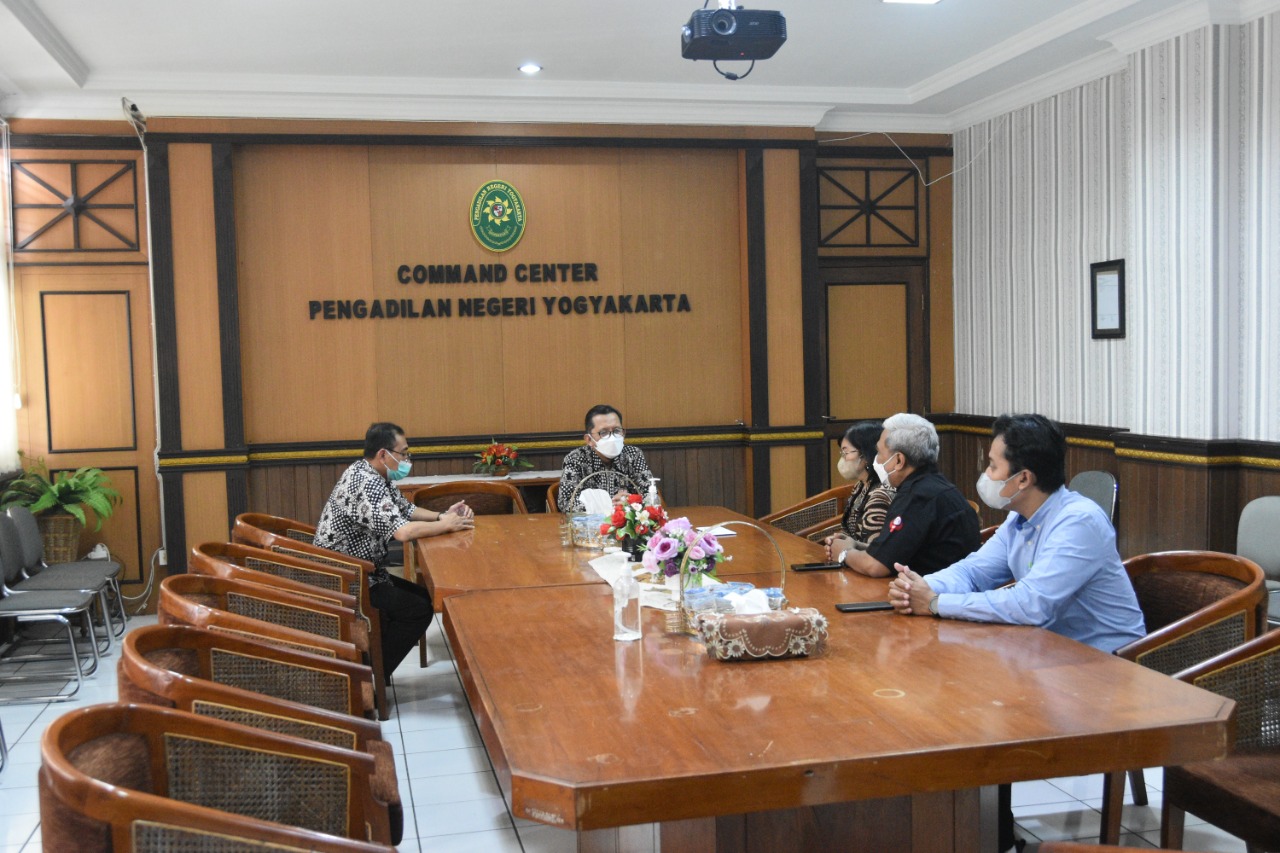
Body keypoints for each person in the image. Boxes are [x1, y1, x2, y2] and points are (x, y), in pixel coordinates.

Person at [887, 413, 1145, 853]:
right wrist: (923, 586)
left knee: (974, 702)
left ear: (1023, 477)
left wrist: (934, 604)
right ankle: (984, 831)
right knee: (951, 688)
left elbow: (1031, 603)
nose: (985, 475)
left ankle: (987, 833)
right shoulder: (1022, 516)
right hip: (1048, 650)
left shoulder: (1077, 521)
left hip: (1105, 668)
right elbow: (977, 569)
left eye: (992, 466)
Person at [314, 422, 475, 679]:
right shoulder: (365, 482)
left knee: (423, 598)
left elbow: (406, 510)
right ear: (383, 454)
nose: (407, 459)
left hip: (367, 573)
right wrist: (446, 526)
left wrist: (441, 516)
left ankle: (374, 662)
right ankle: (370, 676)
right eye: (403, 453)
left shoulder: (375, 474)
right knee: (418, 610)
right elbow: (402, 532)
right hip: (348, 580)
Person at [827, 412, 980, 577]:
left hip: (936, 596)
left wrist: (844, 554)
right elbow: (892, 551)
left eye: (879, 453)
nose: (876, 460)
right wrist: (854, 546)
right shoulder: (933, 486)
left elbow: (876, 566)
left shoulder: (917, 498)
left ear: (898, 460)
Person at [557, 404, 654, 511]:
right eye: (603, 432)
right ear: (589, 440)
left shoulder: (633, 455)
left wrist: (632, 501)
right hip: (590, 525)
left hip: (626, 524)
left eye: (617, 431)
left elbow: (651, 495)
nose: (612, 437)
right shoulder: (575, 458)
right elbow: (566, 503)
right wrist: (610, 506)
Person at [823, 420, 895, 556]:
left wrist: (845, 551)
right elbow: (850, 532)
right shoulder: (861, 486)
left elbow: (875, 550)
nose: (842, 459)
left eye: (846, 453)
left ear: (866, 455)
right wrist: (838, 541)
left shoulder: (881, 493)